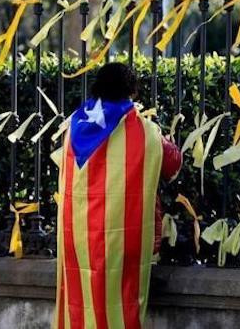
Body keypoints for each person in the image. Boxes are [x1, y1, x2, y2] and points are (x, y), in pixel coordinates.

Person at [54, 62, 181, 329]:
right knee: (120, 310)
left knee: (79, 305)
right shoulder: (144, 130)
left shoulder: (73, 127)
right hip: (123, 234)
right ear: (131, 92)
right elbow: (173, 165)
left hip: (77, 235)